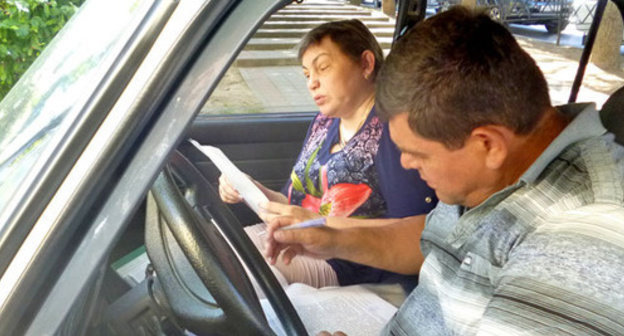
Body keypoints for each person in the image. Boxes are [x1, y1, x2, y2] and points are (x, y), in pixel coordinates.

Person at [268, 7, 624, 335]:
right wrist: (331, 238)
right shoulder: (489, 175)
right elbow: (427, 242)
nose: (405, 163)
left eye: (416, 153)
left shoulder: (581, 235)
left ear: (489, 145)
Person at [219, 19, 437, 290]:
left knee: (236, 273)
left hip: (350, 266)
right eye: (307, 74)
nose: (312, 83)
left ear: (366, 64)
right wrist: (254, 190)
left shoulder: (394, 132)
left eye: (323, 68)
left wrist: (323, 227)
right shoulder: (323, 124)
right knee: (215, 246)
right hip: (296, 242)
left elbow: (417, 232)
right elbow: (296, 207)